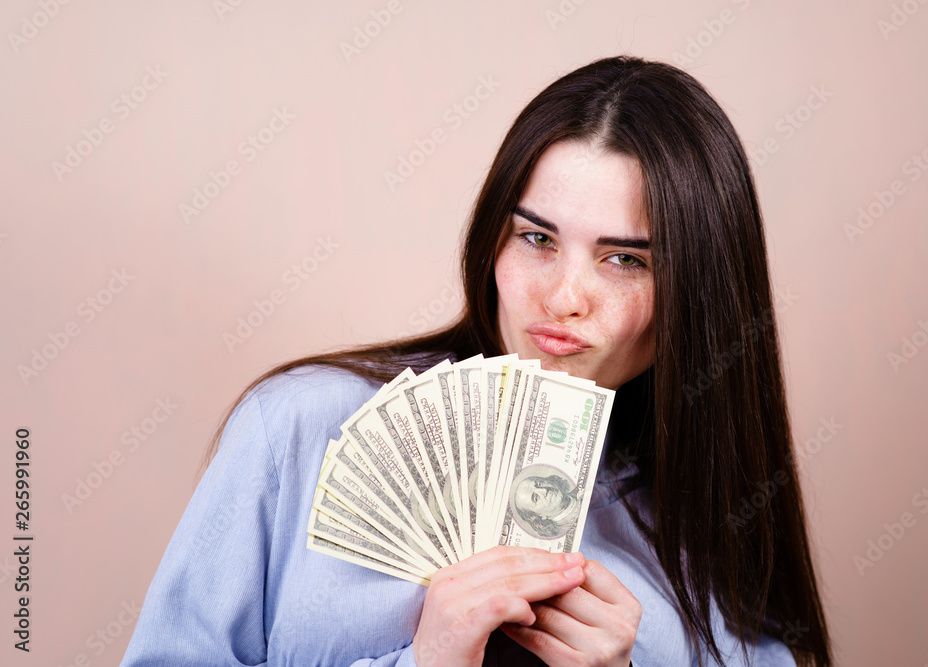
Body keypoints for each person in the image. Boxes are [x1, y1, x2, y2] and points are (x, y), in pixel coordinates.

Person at [122, 55, 832, 666]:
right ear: (493, 240)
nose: (564, 297)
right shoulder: (299, 429)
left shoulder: (718, 542)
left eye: (625, 259)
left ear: (701, 292)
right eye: (537, 238)